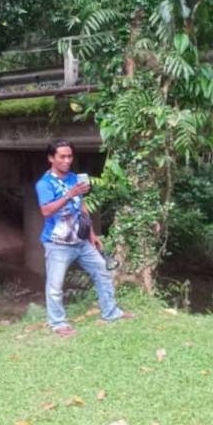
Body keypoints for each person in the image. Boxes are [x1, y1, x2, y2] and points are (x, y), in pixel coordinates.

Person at [35, 139, 131, 337]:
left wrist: (92, 235)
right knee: (55, 285)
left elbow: (82, 207)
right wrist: (70, 194)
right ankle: (58, 323)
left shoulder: (73, 178)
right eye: (62, 156)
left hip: (81, 241)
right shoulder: (44, 184)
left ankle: (111, 313)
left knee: (102, 272)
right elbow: (46, 210)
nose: (67, 160)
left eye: (70, 156)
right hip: (57, 244)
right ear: (51, 158)